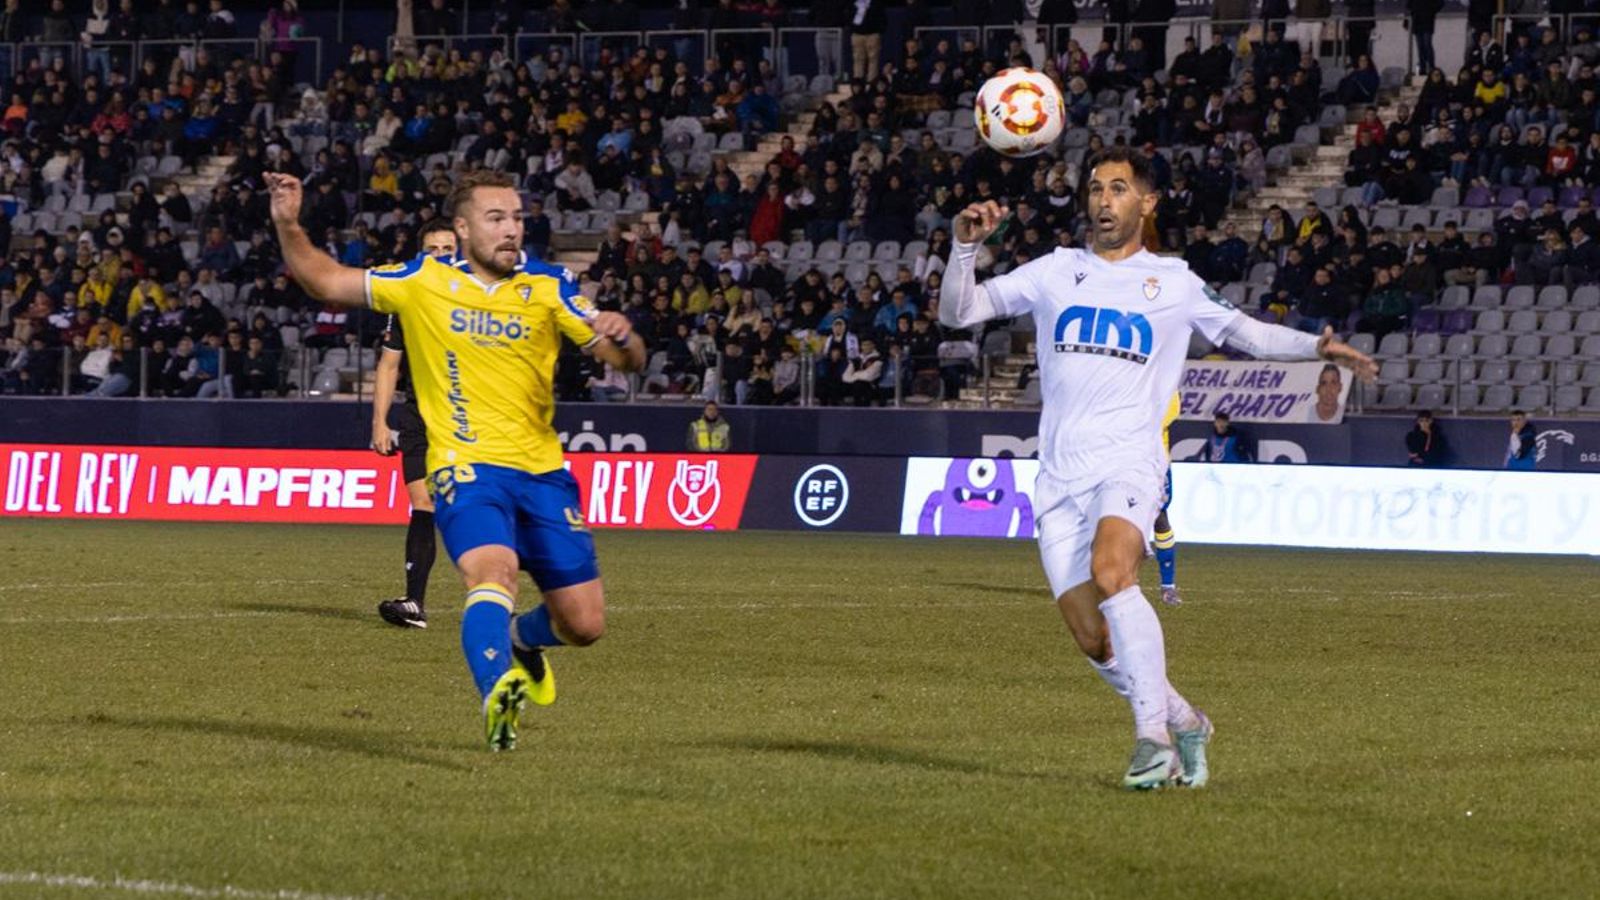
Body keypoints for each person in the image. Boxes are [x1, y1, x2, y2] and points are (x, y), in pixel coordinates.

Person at [938, 147, 1376, 789]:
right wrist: (963, 249)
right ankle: (1189, 721)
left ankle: (1152, 740)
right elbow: (960, 313)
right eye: (1094, 188)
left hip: (1131, 462)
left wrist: (1315, 347)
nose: (1102, 199)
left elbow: (1245, 334)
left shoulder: (1174, 282)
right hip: (1058, 477)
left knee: (1113, 571)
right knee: (1095, 642)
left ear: (1147, 202)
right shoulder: (1056, 272)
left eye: (1118, 188)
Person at [267, 169, 646, 752]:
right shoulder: (423, 280)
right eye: (496, 219)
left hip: (543, 474)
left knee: (584, 624)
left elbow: (626, 361)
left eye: (517, 218)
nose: (512, 229)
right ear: (463, 228)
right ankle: (498, 692)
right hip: (464, 467)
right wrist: (289, 223)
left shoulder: (548, 285)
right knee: (490, 572)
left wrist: (621, 336)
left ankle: (523, 642)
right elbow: (324, 280)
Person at [369, 219, 458, 629]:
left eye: (448, 248)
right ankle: (414, 603)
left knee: (478, 506)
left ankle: (499, 597)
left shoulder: (484, 299)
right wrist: (379, 422)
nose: (442, 254)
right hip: (420, 415)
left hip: (466, 417)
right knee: (423, 504)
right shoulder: (408, 301)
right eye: (433, 249)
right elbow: (389, 366)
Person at [1152, 394, 1181, 607]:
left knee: (1160, 519)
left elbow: (1171, 412)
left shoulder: (1166, 381)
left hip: (1156, 465)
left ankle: (1168, 586)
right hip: (1122, 460)